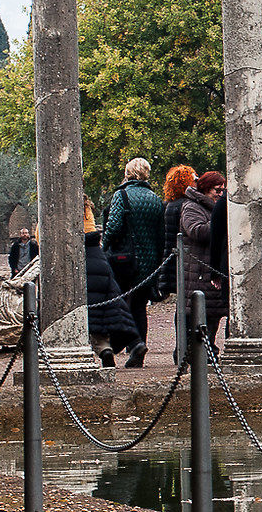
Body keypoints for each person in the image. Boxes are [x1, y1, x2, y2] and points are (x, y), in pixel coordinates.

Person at [102, 158, 166, 366]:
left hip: (124, 261)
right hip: (149, 262)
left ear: (128, 173)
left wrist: (104, 248)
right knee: (139, 306)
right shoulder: (155, 199)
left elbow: (113, 227)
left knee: (118, 304)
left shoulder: (121, 195)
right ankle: (138, 351)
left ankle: (130, 343)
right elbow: (160, 234)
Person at [177, 170, 228, 350]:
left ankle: (208, 348)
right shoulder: (191, 206)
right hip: (198, 268)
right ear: (206, 189)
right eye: (217, 190)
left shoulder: (219, 206)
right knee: (199, 313)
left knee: (214, 314)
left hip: (213, 265)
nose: (220, 194)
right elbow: (196, 231)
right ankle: (195, 351)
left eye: (223, 190)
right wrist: (220, 221)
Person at [83, 222, 139, 368]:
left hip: (85, 268)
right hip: (100, 265)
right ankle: (135, 342)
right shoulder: (93, 234)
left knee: (92, 320)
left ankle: (104, 350)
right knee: (108, 316)